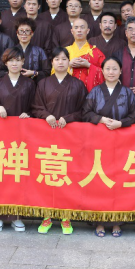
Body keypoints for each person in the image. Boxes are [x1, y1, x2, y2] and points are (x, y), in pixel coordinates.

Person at [31, 48, 87, 235]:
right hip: (47, 136)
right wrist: (45, 115)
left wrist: (68, 118)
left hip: (69, 136)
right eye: (57, 59)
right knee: (48, 175)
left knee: (67, 176)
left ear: (69, 62)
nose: (61, 62)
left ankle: (65, 216)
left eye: (64, 59)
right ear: (52, 62)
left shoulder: (78, 84)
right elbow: (35, 107)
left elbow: (83, 110)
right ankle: (47, 216)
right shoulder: (43, 83)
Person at [83, 56, 135, 238]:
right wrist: (100, 119)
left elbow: (134, 115)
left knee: (119, 181)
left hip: (122, 143)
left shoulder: (127, 93)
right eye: (107, 68)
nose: (111, 72)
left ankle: (117, 222)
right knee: (99, 182)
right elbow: (86, 112)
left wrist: (121, 123)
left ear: (121, 71)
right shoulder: (95, 92)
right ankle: (99, 221)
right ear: (102, 71)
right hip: (99, 143)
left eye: (115, 69)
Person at [0, 47, 36, 233]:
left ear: (23, 62)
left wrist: (28, 114)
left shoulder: (29, 84)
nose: (15, 63)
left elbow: (35, 106)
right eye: (11, 60)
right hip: (2, 135)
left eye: (18, 60)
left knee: (19, 175)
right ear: (5, 63)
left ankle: (17, 216)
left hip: (22, 137)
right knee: (1, 174)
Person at [0, 18, 50, 82]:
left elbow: (47, 72)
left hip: (33, 85)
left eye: (27, 31)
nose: (24, 34)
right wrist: (13, 73)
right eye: (21, 31)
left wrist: (34, 73)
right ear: (17, 33)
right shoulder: (9, 51)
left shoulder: (39, 51)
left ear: (32, 33)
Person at [64, 18, 105, 91]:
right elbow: (55, 73)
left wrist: (89, 65)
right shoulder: (65, 51)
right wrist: (69, 65)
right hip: (68, 92)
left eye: (82, 27)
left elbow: (105, 73)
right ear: (72, 31)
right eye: (76, 27)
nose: (79, 30)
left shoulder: (96, 52)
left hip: (90, 92)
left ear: (87, 31)